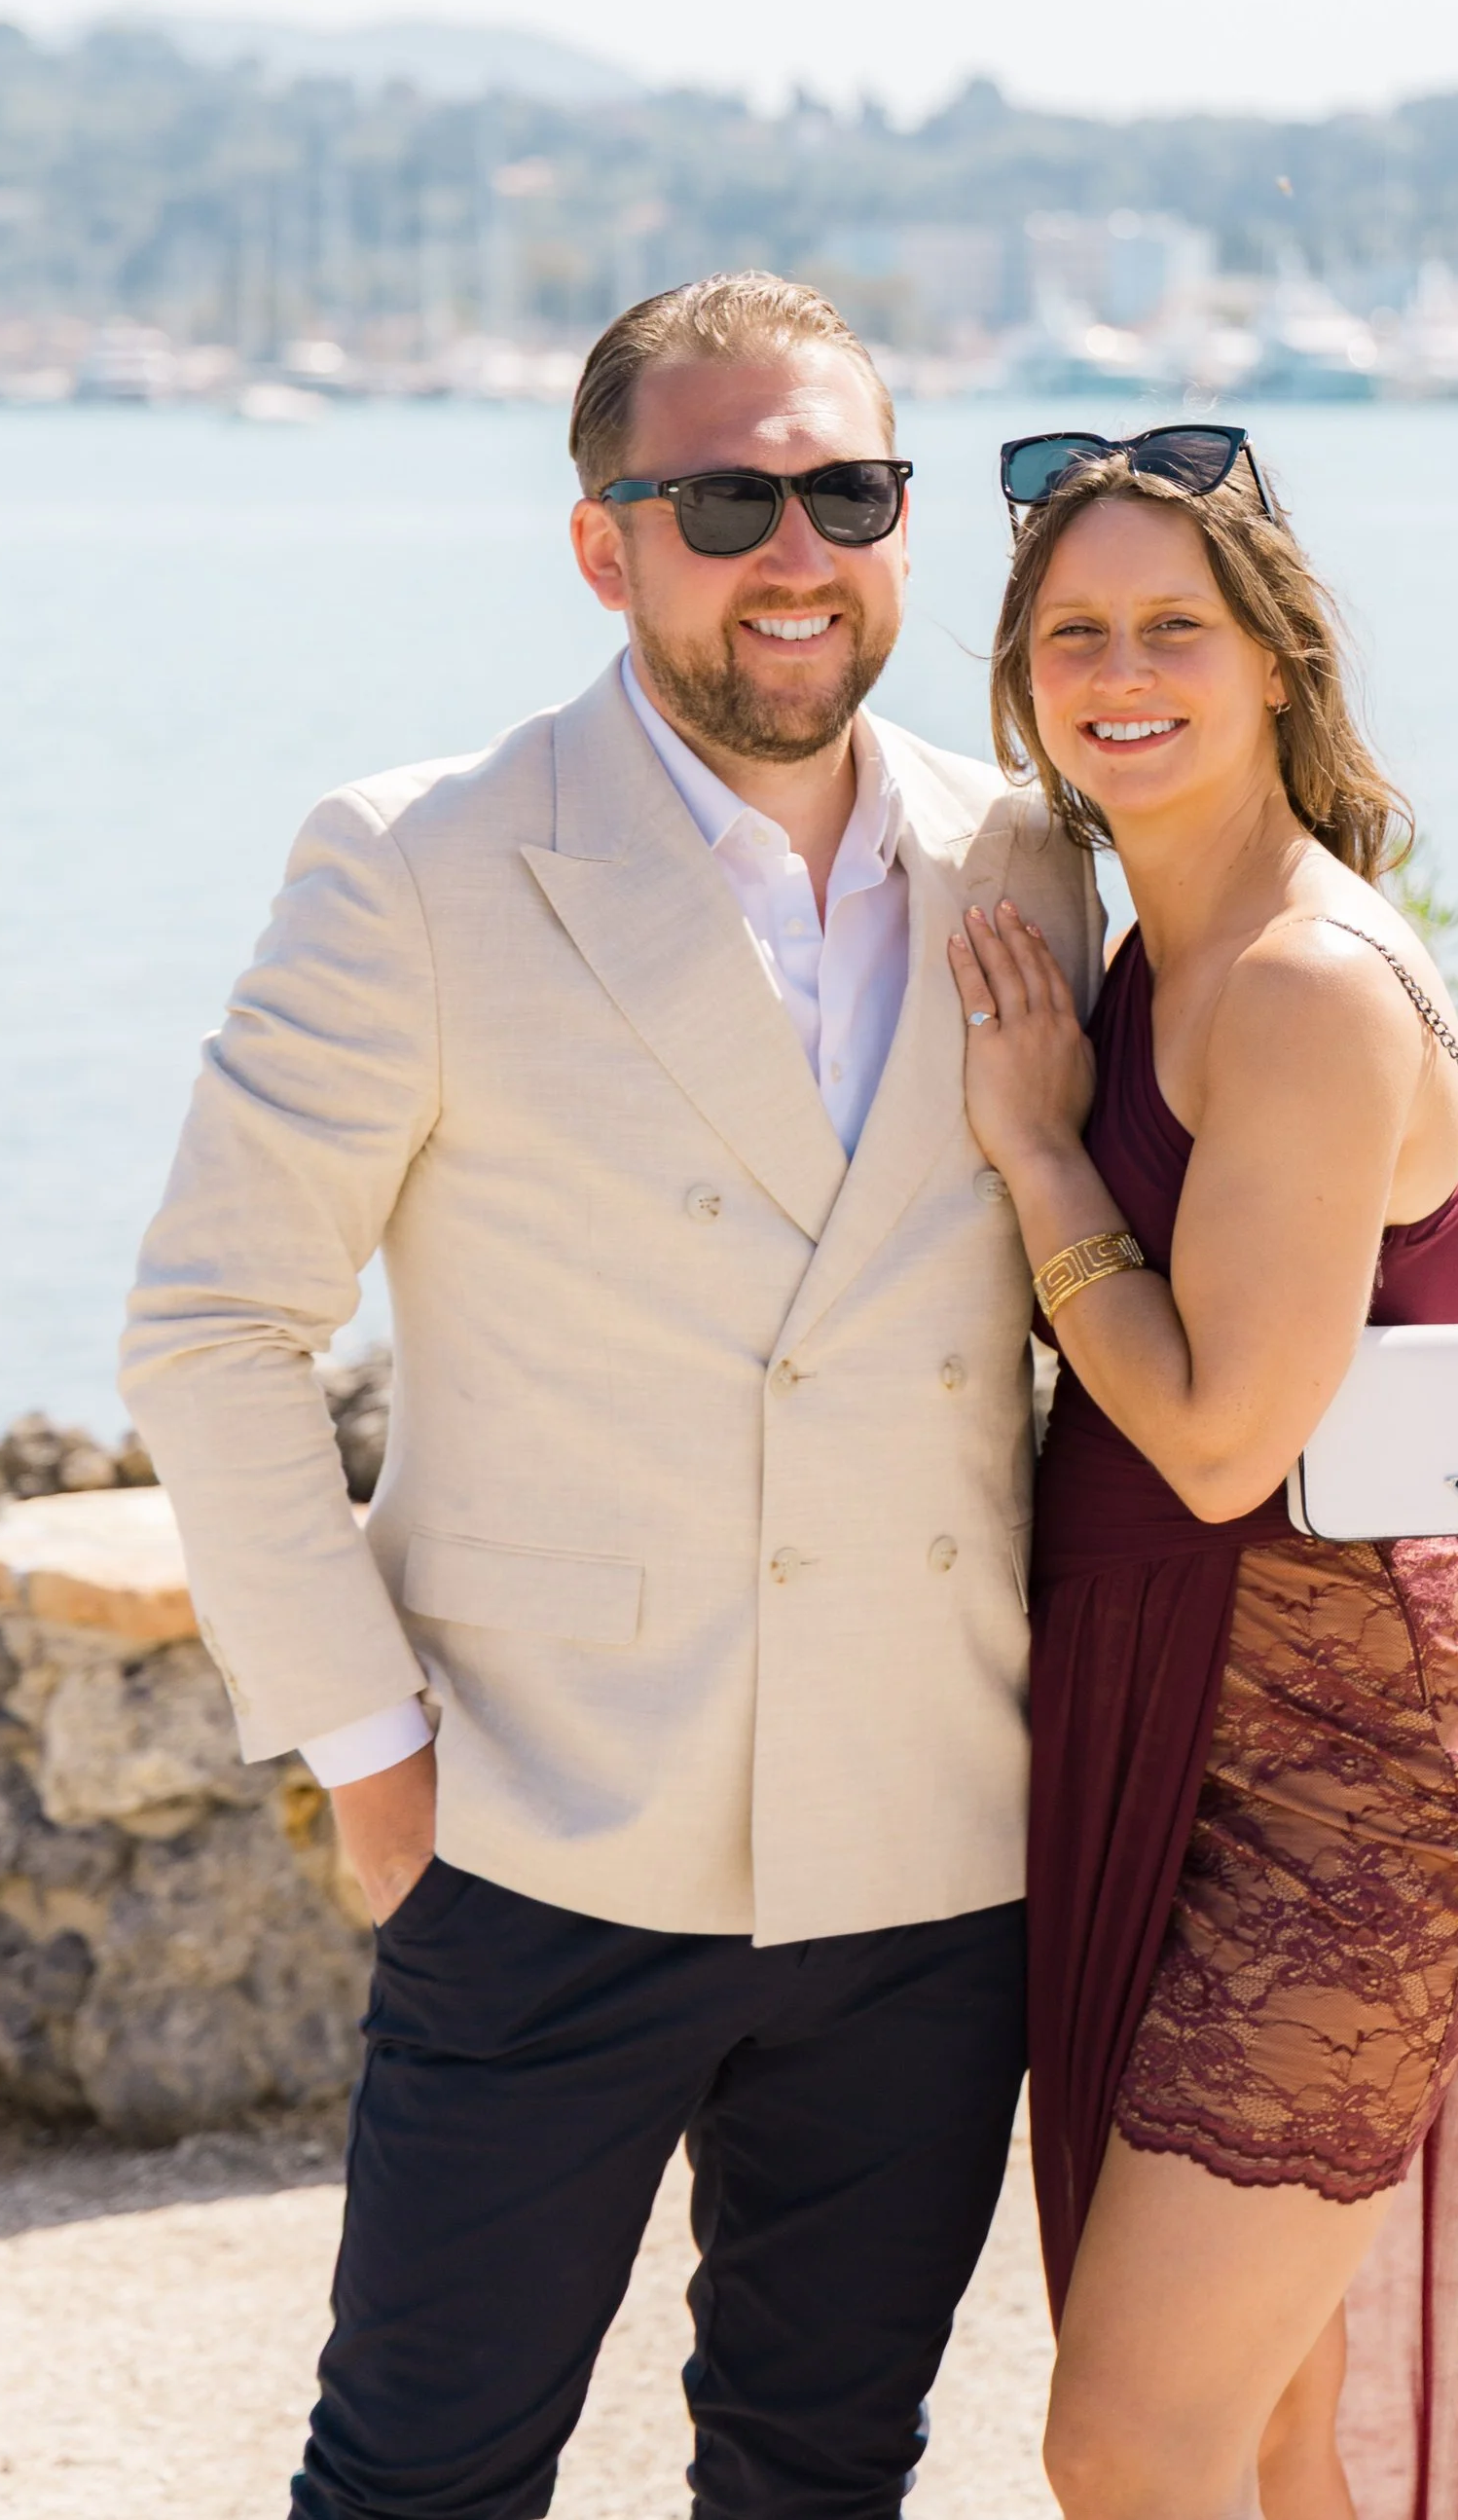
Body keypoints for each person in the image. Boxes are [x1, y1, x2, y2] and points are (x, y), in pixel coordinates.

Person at [120, 272, 1102, 2520]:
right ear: (602, 541)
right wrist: (374, 1762)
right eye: (725, 497)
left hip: (928, 1849)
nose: (793, 551)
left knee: (821, 2468)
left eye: (844, 489)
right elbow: (212, 1324)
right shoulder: (418, 863)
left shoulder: (1027, 859)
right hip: (545, 1831)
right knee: (422, 2483)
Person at [945, 430, 1458, 2520]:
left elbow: (1213, 1446)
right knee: (1265, 2427)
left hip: (1345, 1778)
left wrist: (1030, 1153)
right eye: (1071, 634)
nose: (1122, 673)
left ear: (1273, 660)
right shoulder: (1148, 940)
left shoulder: (1292, 980)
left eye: (1171, 630)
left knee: (1127, 2440)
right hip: (1173, 1730)